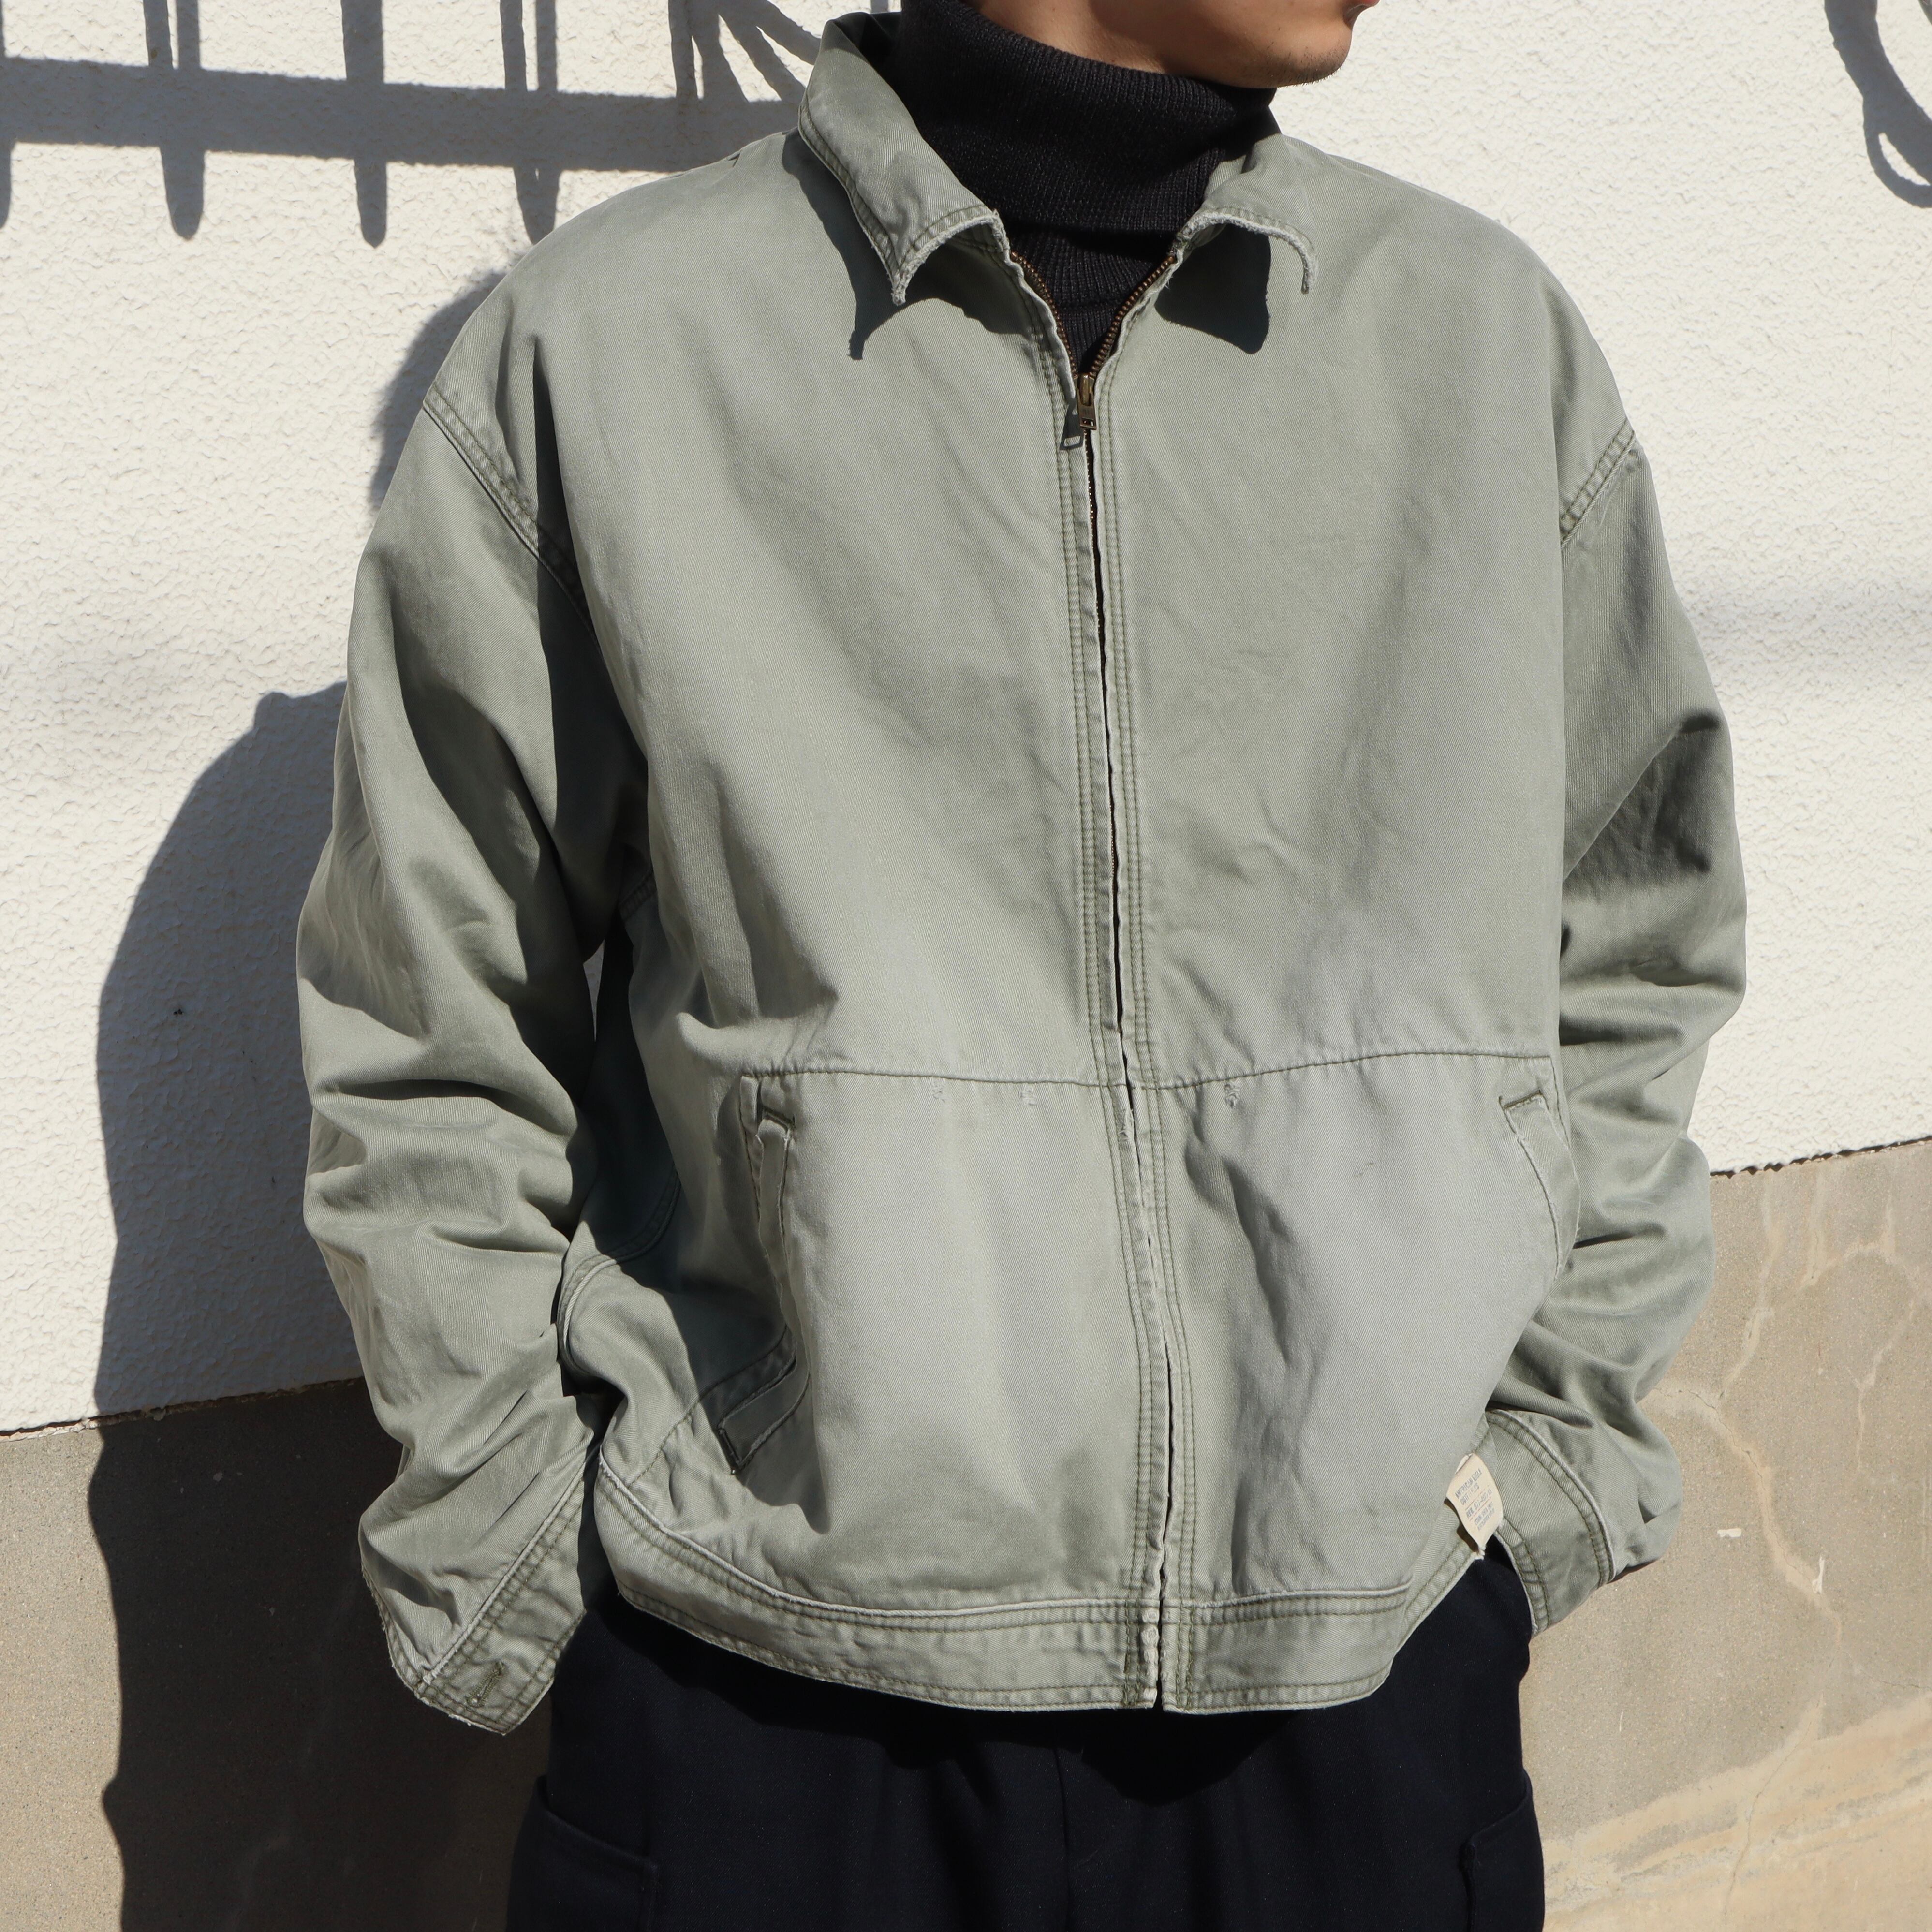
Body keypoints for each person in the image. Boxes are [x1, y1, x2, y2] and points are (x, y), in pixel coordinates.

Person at [296, 0, 1746, 1925]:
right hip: (770, 1701)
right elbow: (433, 1013)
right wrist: (525, 1563)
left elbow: (1636, 930)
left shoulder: (1478, 344)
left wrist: (1535, 1483)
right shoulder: (612, 351)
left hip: (1357, 1695)